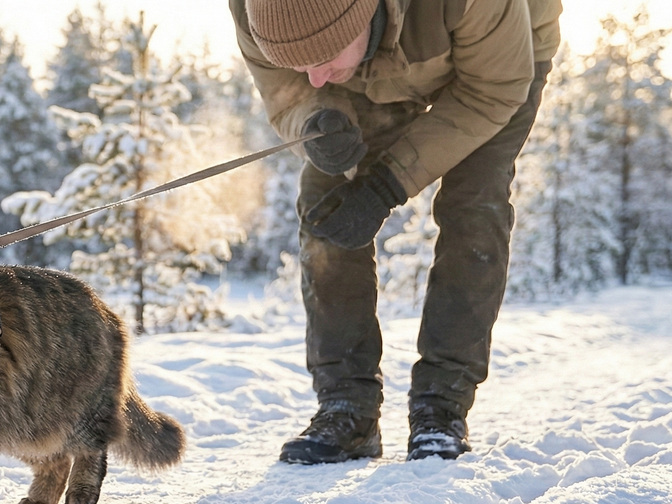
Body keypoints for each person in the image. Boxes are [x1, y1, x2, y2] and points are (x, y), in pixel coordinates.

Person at [229, 0, 563, 463]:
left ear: (360, 17)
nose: (314, 77)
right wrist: (314, 120)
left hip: (497, 67)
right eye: (298, 63)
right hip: (365, 76)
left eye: (323, 58)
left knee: (474, 207)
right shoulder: (256, 11)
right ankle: (347, 408)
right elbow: (289, 91)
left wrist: (385, 185)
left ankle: (441, 409)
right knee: (327, 205)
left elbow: (492, 91)